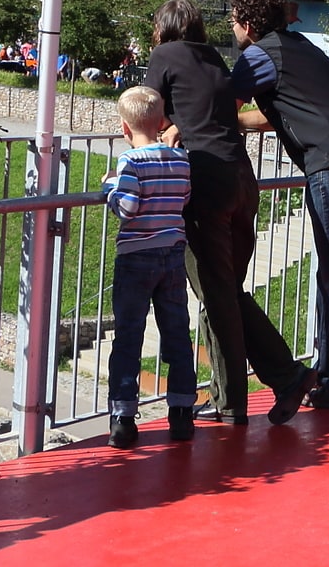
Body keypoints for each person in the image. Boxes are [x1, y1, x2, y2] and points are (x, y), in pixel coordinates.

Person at [144, 0, 312, 426]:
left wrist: (162, 134)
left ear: (162, 29)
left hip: (206, 183)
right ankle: (233, 393)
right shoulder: (215, 59)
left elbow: (148, 111)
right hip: (242, 180)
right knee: (225, 293)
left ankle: (258, 392)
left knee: (218, 295)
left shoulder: (164, 55)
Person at [225, 0, 329, 412]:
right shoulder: (297, 48)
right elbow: (274, 111)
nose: (231, 25)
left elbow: (221, 103)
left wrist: (175, 127)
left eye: (233, 17)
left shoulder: (258, 55)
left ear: (246, 23)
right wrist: (242, 123)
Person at [103, 85, 196, 448]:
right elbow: (183, 198)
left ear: (125, 128)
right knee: (176, 333)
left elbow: (126, 208)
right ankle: (182, 414)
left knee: (128, 336)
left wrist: (110, 188)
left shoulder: (131, 162)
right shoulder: (181, 159)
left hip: (135, 257)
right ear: (161, 122)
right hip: (172, 253)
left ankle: (124, 418)